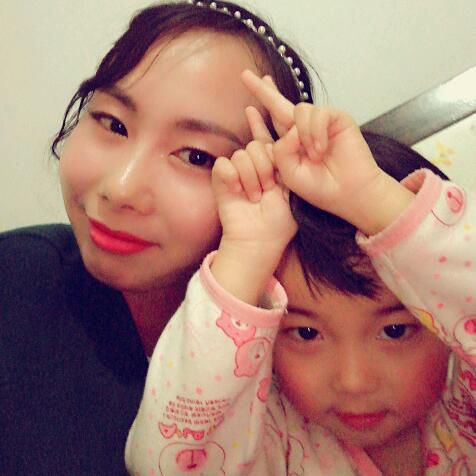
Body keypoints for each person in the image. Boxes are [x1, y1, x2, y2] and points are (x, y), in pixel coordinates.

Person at [0, 2, 314, 474]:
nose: (121, 188)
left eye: (195, 156)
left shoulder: (310, 345)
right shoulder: (17, 280)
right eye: (113, 124)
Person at [125, 70, 475, 475]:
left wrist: (373, 199)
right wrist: (247, 254)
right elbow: (169, 464)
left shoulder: (463, 406)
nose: (353, 381)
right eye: (306, 334)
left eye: (395, 331)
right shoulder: (273, 439)